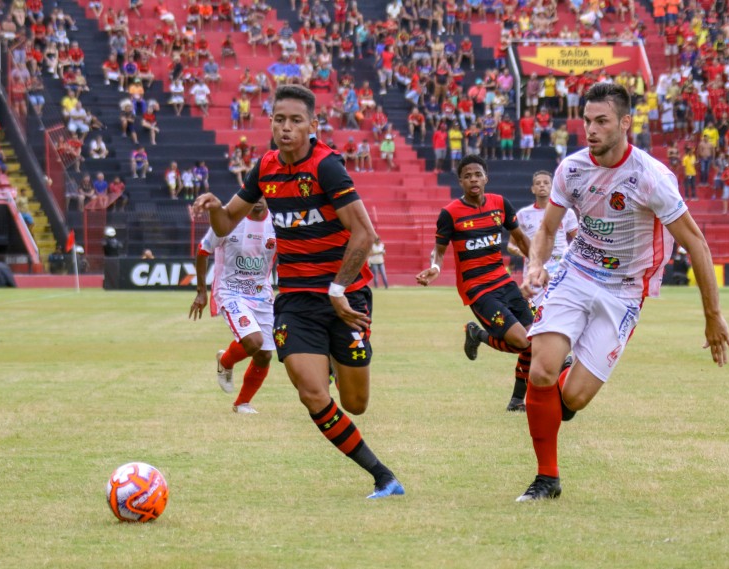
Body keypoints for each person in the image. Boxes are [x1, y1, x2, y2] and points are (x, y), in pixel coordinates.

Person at [518, 82, 729, 502]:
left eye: (602, 121)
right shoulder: (572, 169)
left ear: (625, 124)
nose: (592, 130)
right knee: (540, 369)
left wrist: (712, 315)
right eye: (587, 121)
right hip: (576, 274)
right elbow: (546, 229)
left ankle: (557, 393)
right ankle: (547, 478)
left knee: (573, 397)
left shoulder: (651, 179)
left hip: (624, 292)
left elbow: (697, 245)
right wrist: (536, 263)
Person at [193, 84, 404, 499]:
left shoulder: (327, 167)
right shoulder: (266, 167)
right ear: (270, 122)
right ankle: (383, 477)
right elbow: (224, 226)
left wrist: (338, 289)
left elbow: (364, 234)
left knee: (356, 403)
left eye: (295, 120)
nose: (286, 128)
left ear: (312, 125)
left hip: (345, 299)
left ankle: (330, 355)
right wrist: (216, 206)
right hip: (293, 298)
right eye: (279, 119)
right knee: (312, 394)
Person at [415, 154, 534, 412]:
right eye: (467, 176)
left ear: (486, 178)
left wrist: (537, 266)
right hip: (478, 290)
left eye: (477, 174)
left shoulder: (500, 204)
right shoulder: (450, 213)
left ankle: (516, 401)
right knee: (523, 341)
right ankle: (478, 334)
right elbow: (439, 250)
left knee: (535, 339)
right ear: (460, 181)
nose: (473, 179)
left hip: (505, 281)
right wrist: (435, 267)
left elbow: (521, 239)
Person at [189, 197, 276, 414]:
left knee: (264, 354)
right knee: (254, 341)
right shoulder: (229, 219)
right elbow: (203, 250)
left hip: (261, 293)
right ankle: (226, 362)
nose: (258, 199)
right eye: (253, 194)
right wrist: (201, 292)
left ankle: (242, 404)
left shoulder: (277, 223)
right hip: (231, 291)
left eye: (262, 193)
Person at [507, 171, 578, 310]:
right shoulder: (523, 215)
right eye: (538, 183)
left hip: (560, 267)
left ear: (552, 187)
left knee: (561, 310)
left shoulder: (566, 212)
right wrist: (525, 253)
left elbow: (578, 239)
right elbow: (511, 244)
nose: (542, 186)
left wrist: (570, 256)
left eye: (546, 183)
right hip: (535, 269)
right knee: (535, 312)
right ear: (533, 189)